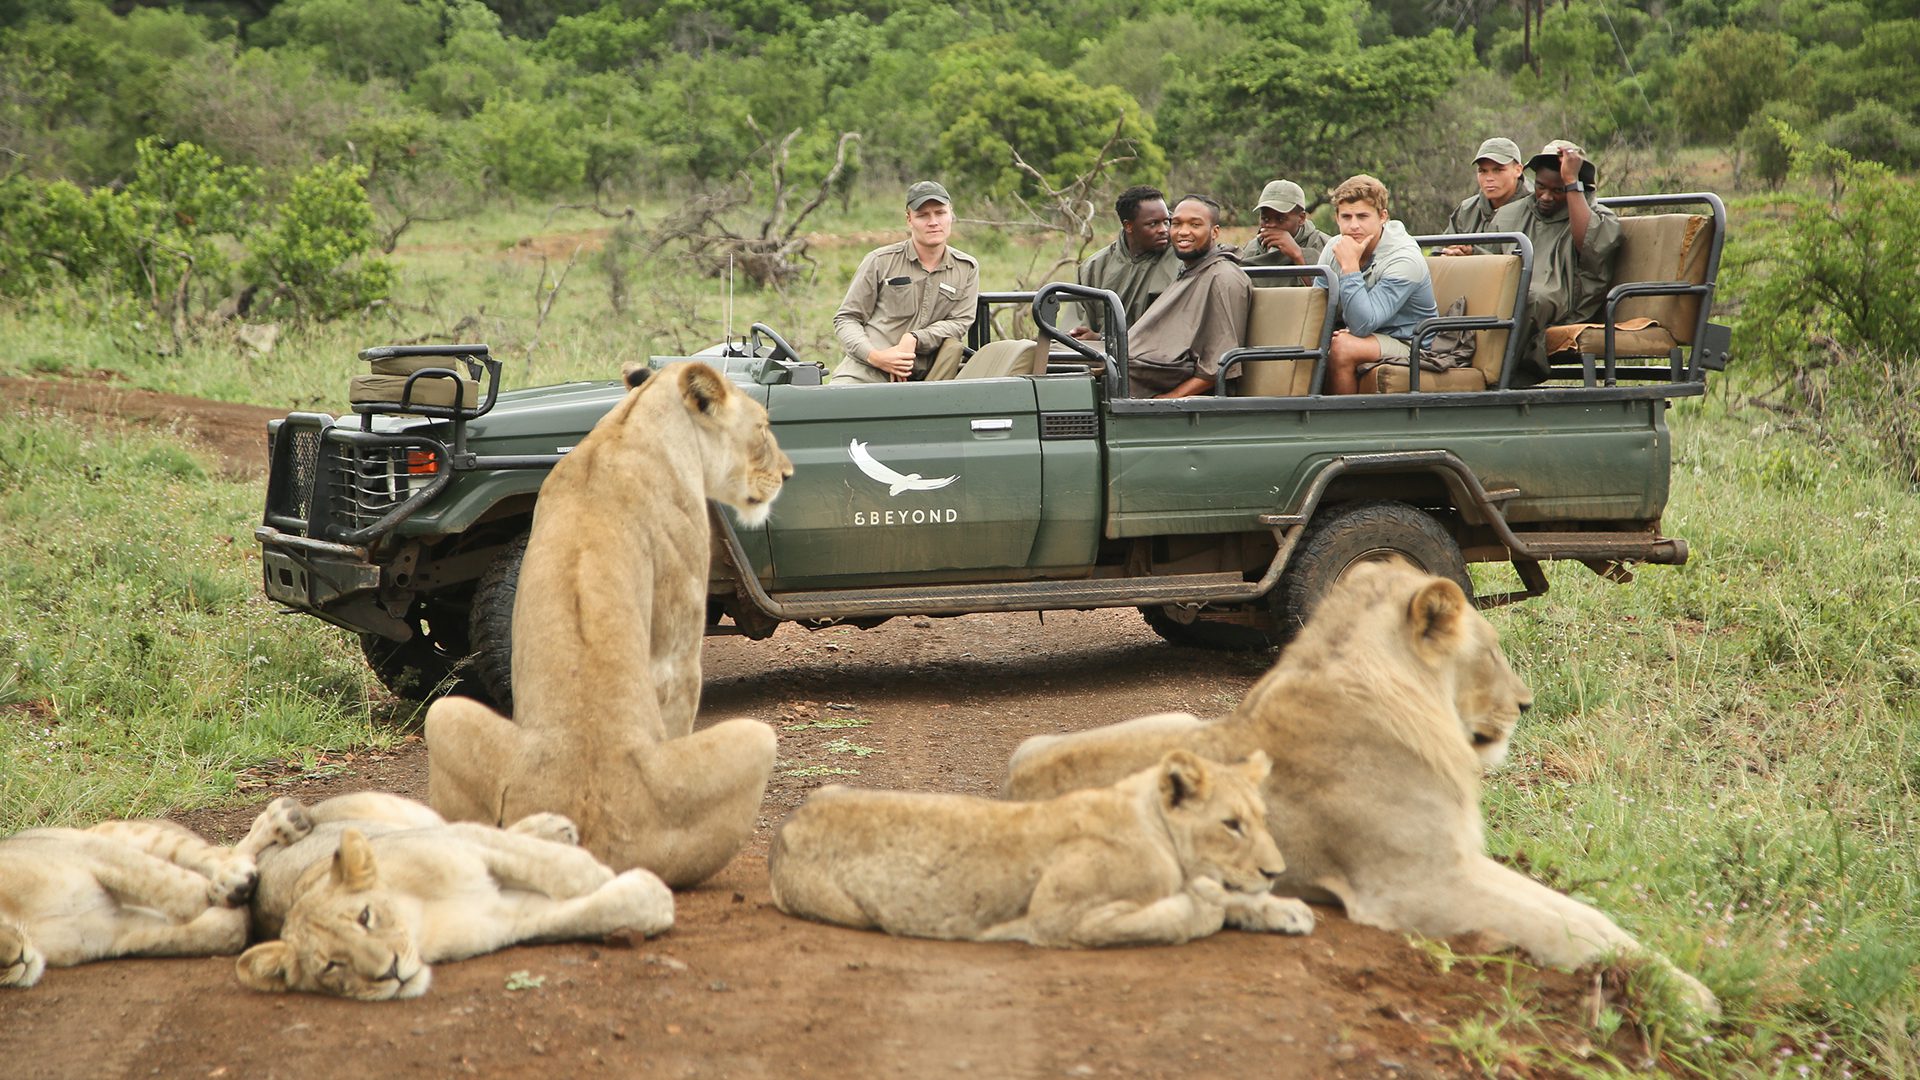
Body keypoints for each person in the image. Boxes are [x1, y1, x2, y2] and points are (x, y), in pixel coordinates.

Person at [1488, 140, 1622, 386]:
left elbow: (1591, 247)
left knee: (1529, 298)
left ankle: (1498, 379)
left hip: (1566, 299)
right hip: (1519, 292)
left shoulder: (1598, 217)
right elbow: (1489, 261)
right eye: (1540, 187)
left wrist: (1571, 182)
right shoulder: (1512, 214)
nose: (1546, 197)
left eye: (1558, 190)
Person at [831, 180, 980, 384]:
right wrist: (877, 357)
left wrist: (915, 338)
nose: (933, 221)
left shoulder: (966, 268)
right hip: (867, 372)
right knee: (838, 407)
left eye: (940, 213)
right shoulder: (880, 260)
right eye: (923, 215)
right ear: (909, 219)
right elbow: (846, 319)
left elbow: (959, 322)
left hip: (927, 378)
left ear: (951, 214)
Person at [1317, 175, 1438, 395]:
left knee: (1343, 348)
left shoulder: (1404, 258)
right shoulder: (1335, 247)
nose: (1354, 225)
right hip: (1365, 334)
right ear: (1336, 218)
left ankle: (1346, 425)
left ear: (1382, 217)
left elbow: (1363, 324)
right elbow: (1318, 306)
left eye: (1363, 216)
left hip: (1410, 342)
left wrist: (1350, 267)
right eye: (1346, 217)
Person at [1125, 195, 1252, 399]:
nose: (1183, 232)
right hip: (1141, 363)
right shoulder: (1191, 270)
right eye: (1176, 224)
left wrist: (1172, 397)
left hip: (1160, 378)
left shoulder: (1222, 278)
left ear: (1215, 232)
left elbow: (1219, 365)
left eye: (1195, 225)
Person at [1070, 185, 1178, 339]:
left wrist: (1102, 339)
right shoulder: (1093, 267)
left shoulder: (1181, 261)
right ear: (1128, 226)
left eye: (1166, 221)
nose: (1163, 230)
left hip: (1159, 359)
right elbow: (1076, 329)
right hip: (1098, 358)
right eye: (1153, 224)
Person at [1438, 137, 1530, 256]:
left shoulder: (1535, 208)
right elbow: (1438, 250)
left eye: (1498, 170)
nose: (1489, 178)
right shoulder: (1467, 210)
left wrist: (1474, 255)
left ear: (1518, 170)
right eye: (1483, 171)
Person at [1237, 179, 1330, 286]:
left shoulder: (1325, 246)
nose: (1271, 225)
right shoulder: (1251, 250)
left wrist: (1298, 255)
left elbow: (1328, 296)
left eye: (1280, 219)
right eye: (1265, 219)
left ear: (1301, 218)